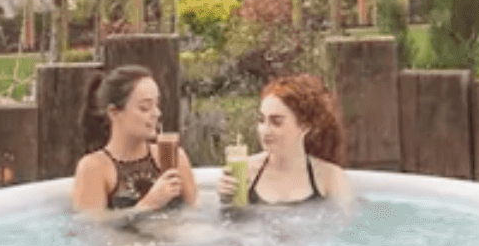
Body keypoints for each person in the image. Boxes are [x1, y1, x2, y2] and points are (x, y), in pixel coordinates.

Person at [70, 65, 197, 227]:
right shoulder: (95, 168)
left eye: (157, 105)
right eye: (145, 107)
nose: (157, 113)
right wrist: (146, 206)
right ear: (114, 113)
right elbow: (90, 231)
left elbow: (197, 215)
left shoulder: (174, 156)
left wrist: (227, 200)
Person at [219, 74, 356, 212]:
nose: (265, 130)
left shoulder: (329, 178)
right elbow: (231, 229)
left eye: (276, 122)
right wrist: (227, 201)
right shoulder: (247, 171)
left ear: (305, 126)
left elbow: (347, 227)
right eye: (262, 120)